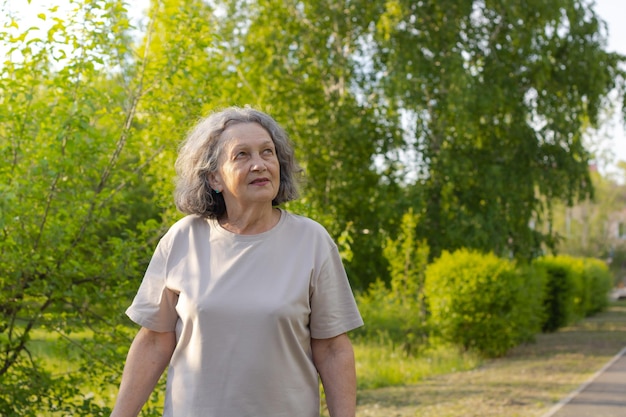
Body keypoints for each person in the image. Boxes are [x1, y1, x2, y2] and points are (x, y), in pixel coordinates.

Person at [110, 106, 364, 417]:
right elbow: (153, 342)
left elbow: (333, 349)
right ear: (214, 177)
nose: (259, 164)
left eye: (267, 152)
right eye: (241, 155)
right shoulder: (183, 239)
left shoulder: (312, 240)